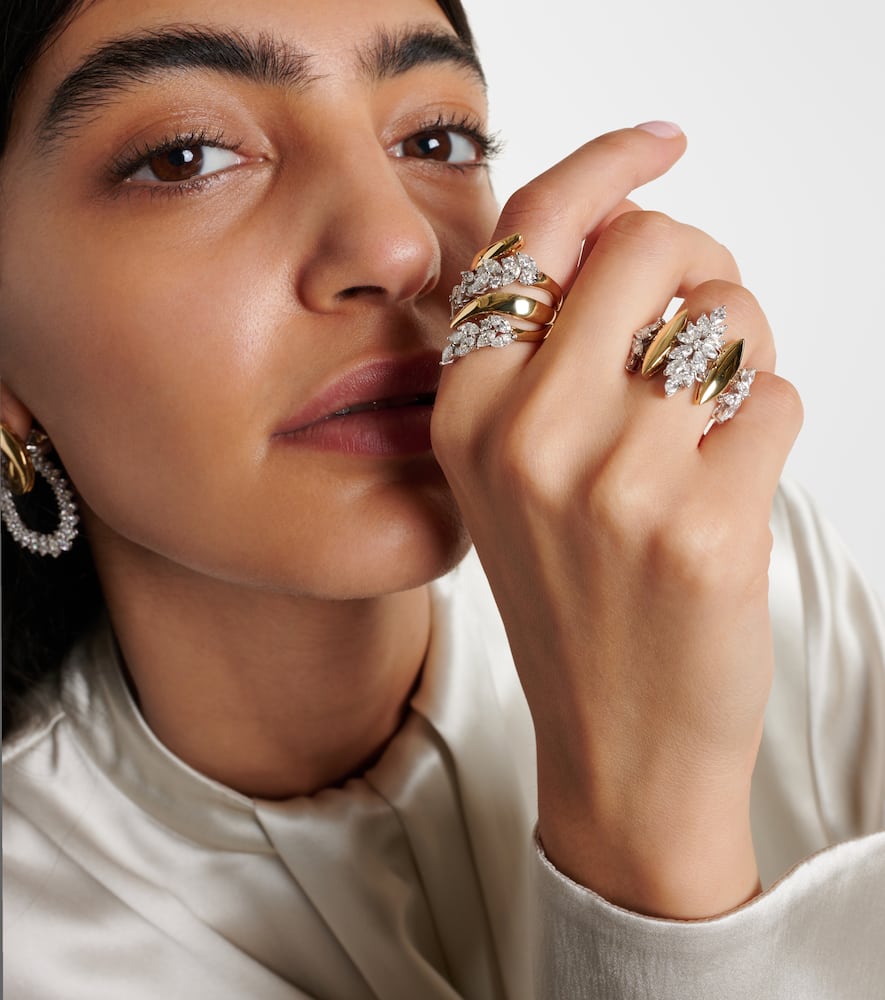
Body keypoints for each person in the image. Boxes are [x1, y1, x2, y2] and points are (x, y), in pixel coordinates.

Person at [2, 0, 883, 997]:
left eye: (434, 141)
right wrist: (647, 861)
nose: (399, 248)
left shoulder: (725, 565)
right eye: (186, 158)